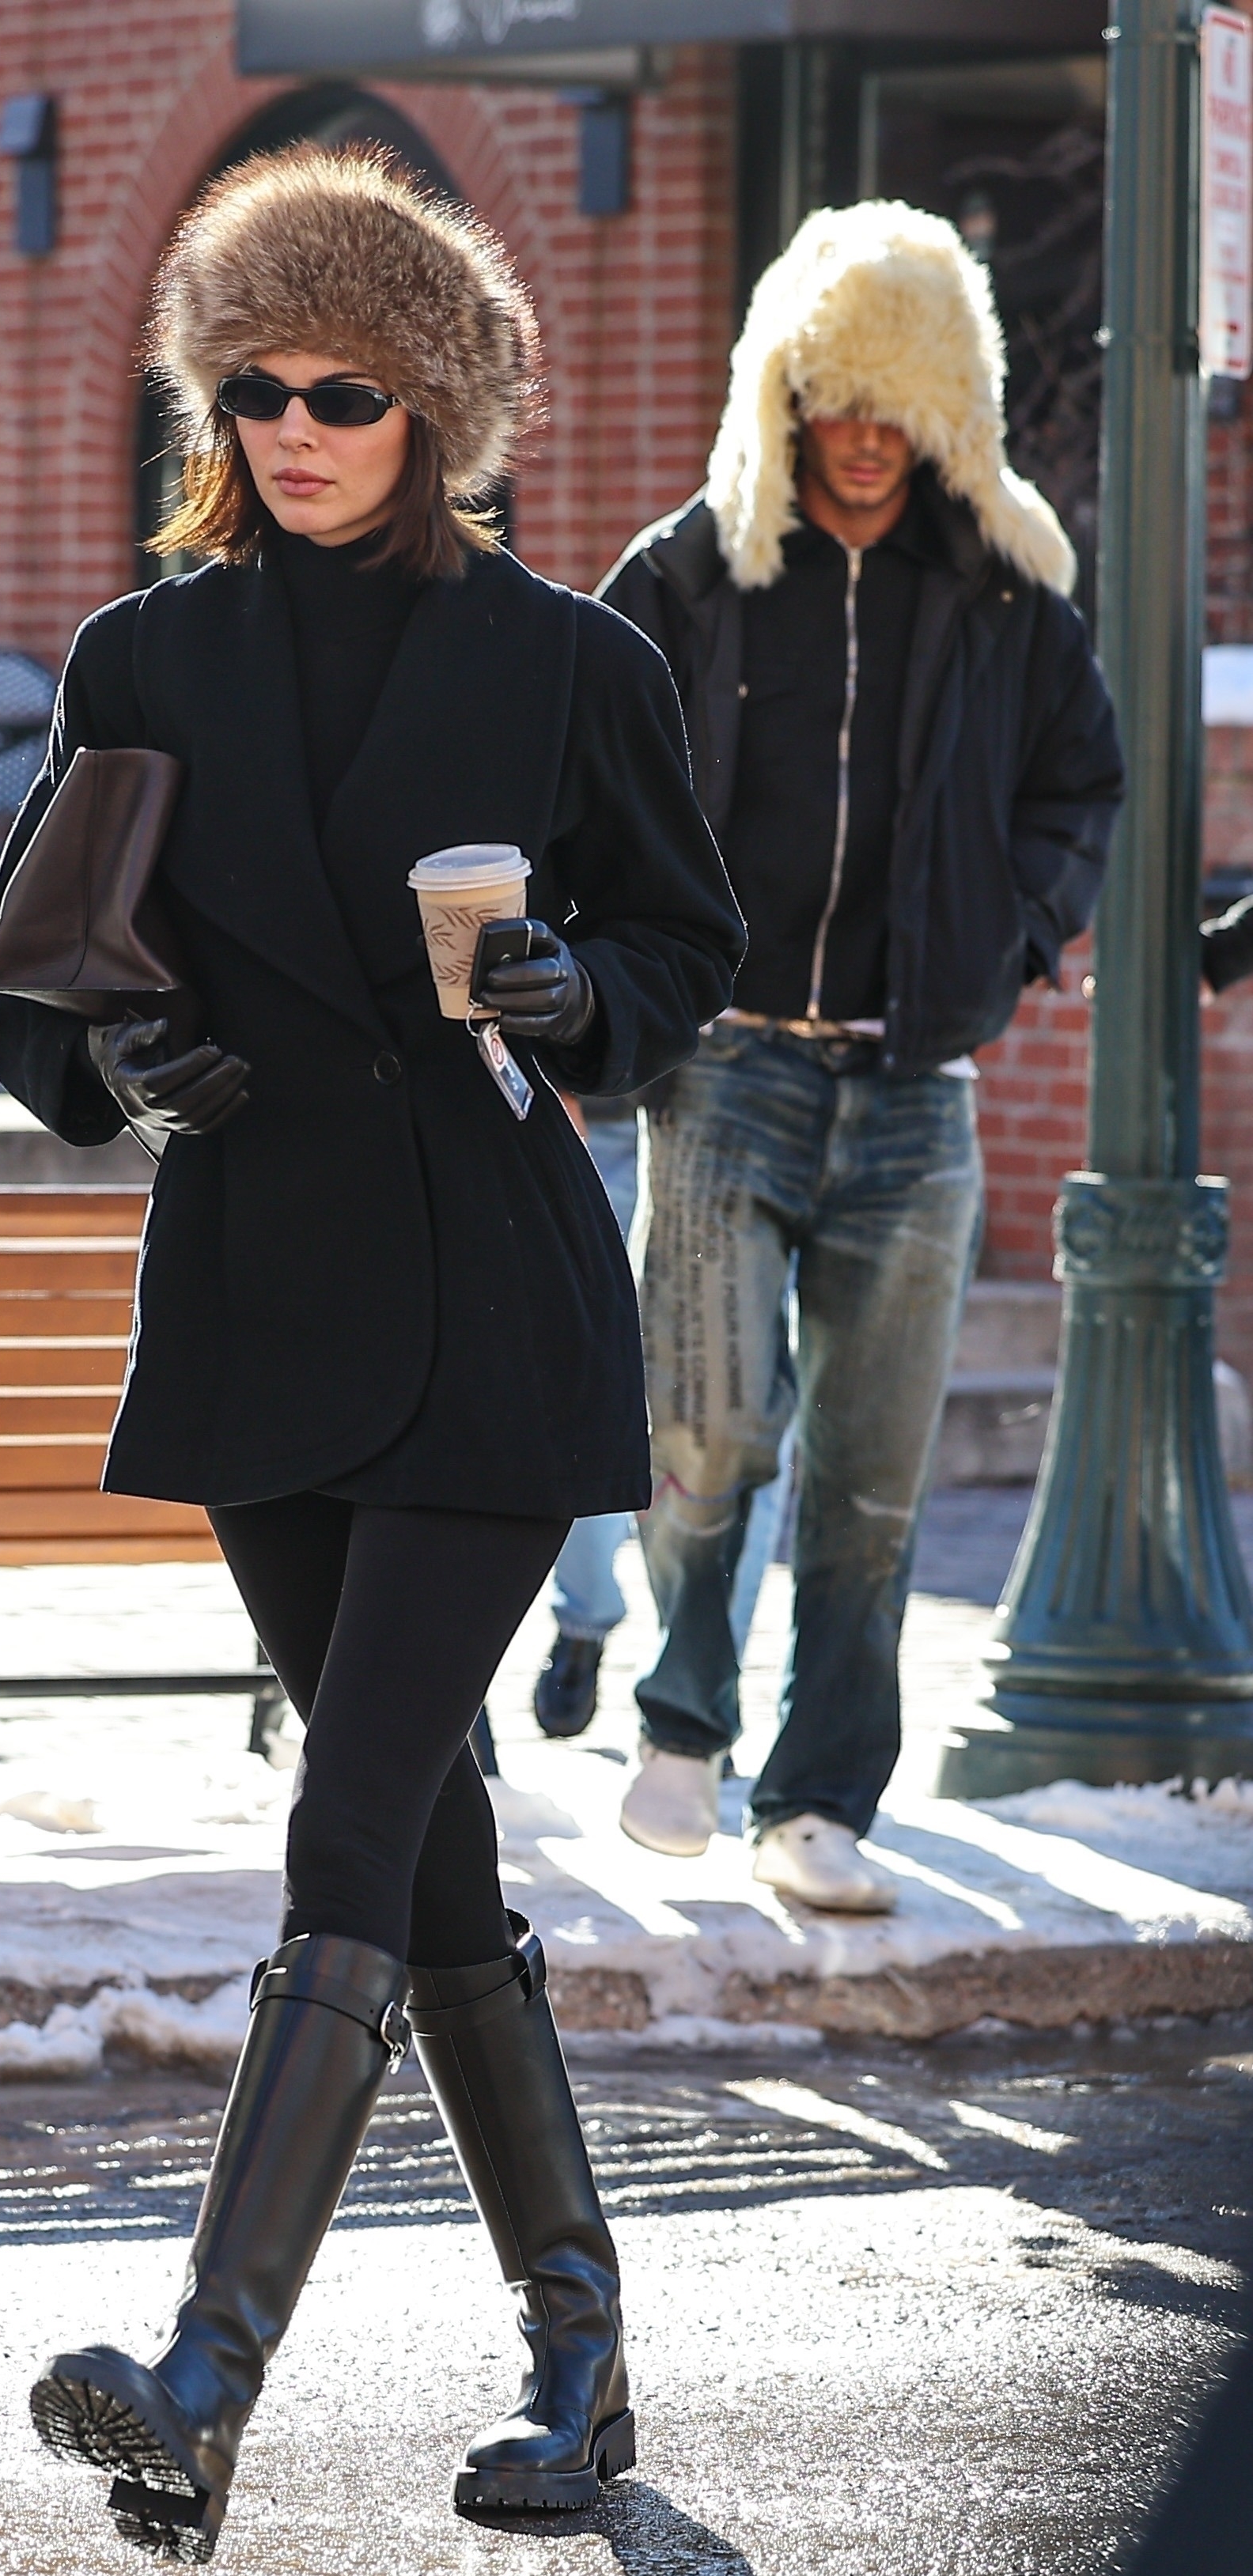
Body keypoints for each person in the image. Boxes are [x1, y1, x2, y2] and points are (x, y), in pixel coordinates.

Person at [0, 146, 744, 2560]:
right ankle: (582, 2346)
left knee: (347, 1801)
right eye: (257, 385)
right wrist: (130, 1071)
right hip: (258, 1310)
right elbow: (36, 980)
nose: (296, 424)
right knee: (416, 1843)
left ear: (437, 404)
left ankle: (203, 2371)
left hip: (489, 1308)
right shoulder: (144, 657)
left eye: (345, 389)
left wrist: (572, 985)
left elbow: (679, 946)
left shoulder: (565, 663)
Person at [596, 201, 1123, 1911]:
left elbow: (1080, 785)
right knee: (708, 1423)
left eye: (896, 403)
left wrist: (1015, 934)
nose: (862, 436)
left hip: (914, 1083)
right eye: (835, 396)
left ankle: (814, 1800)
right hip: (723, 1064)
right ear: (784, 390)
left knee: (870, 1479)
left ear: (940, 408)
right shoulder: (684, 573)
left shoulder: (997, 594)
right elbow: (581, 776)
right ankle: (680, 1713)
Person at [532, 1088, 793, 1741]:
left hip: (747, 1125)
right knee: (587, 1389)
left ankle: (703, 1678)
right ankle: (585, 1618)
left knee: (739, 1420)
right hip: (603, 1116)